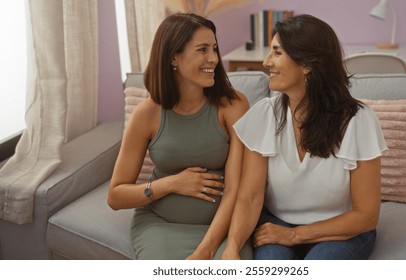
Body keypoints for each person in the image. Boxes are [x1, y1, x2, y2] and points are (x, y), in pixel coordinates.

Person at [221, 14, 388, 260]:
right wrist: (232, 248)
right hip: (277, 222)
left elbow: (366, 215)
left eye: (277, 53)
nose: (266, 62)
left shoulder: (358, 120)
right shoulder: (265, 114)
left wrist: (295, 235)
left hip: (342, 230)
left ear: (307, 64)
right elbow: (250, 197)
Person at [107, 13, 250, 260]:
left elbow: (236, 189)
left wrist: (206, 249)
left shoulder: (233, 106)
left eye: (214, 49)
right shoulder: (147, 114)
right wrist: (173, 183)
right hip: (160, 226)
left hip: (222, 229)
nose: (214, 59)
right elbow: (116, 196)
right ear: (174, 57)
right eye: (202, 50)